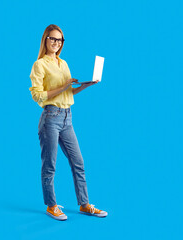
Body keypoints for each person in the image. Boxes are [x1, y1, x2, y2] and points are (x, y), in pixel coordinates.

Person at [29, 24, 108, 221]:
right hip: (51, 118)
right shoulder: (40, 65)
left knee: (78, 162)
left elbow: (68, 92)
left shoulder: (63, 64)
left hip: (67, 117)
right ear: (45, 39)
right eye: (52, 39)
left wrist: (84, 86)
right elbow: (38, 96)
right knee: (50, 165)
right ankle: (51, 205)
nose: (56, 43)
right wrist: (63, 85)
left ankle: (84, 204)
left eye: (60, 40)